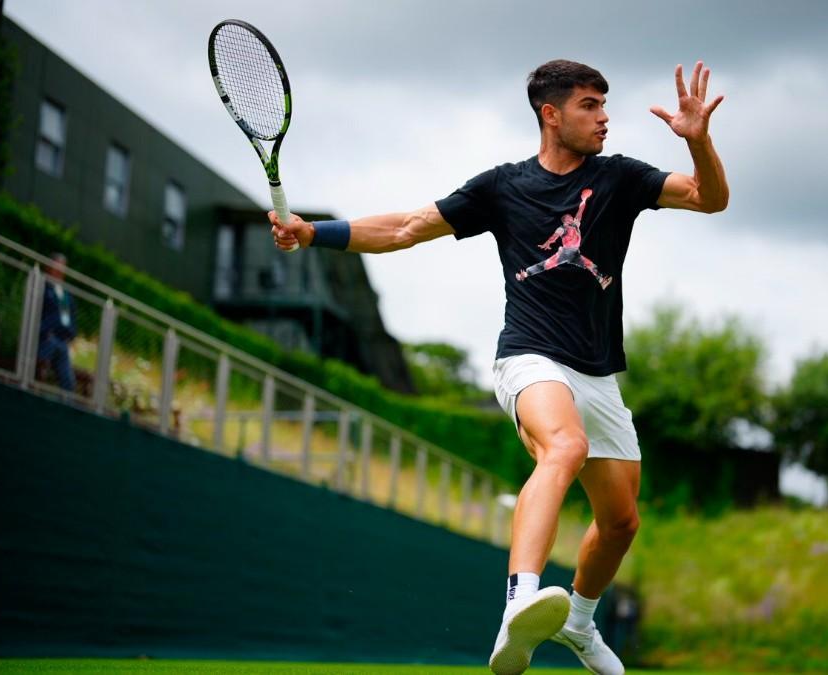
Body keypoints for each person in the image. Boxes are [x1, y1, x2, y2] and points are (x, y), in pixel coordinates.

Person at [268, 59, 727, 675]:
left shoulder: (621, 178)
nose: (604, 117)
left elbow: (709, 199)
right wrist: (313, 233)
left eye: (604, 105)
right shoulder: (502, 188)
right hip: (530, 356)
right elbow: (406, 228)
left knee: (621, 522)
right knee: (564, 446)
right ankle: (520, 601)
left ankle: (579, 623)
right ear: (551, 114)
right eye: (590, 105)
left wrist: (698, 141)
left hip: (597, 372)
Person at [38, 253, 77, 392]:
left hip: (62, 342)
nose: (60, 270)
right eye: (57, 266)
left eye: (63, 267)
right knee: (39, 370)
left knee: (68, 382)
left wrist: (70, 335)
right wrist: (46, 332)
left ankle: (67, 400)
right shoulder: (42, 286)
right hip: (46, 339)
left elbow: (69, 319)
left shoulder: (65, 294)